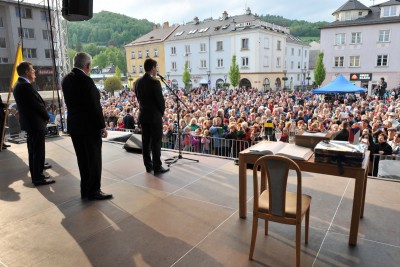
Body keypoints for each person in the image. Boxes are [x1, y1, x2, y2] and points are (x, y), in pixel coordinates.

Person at [62, 52, 112, 200]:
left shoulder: (66, 80)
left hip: (75, 126)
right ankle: (94, 190)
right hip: (89, 127)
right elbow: (94, 106)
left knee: (82, 159)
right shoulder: (86, 81)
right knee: (94, 159)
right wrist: (102, 126)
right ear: (88, 66)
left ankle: (85, 190)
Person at [12, 61, 54, 186]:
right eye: (32, 70)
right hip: (35, 123)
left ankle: (37, 170)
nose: (34, 72)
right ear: (26, 72)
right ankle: (38, 177)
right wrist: (47, 116)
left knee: (33, 150)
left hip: (31, 123)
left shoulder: (19, 84)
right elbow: (37, 105)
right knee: (37, 151)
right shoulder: (24, 86)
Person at [134, 58, 169, 174]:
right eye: (156, 67)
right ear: (153, 68)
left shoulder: (137, 82)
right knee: (155, 142)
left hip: (143, 115)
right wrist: (161, 113)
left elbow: (138, 99)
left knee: (145, 142)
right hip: (154, 117)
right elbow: (160, 101)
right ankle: (157, 167)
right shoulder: (155, 82)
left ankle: (148, 166)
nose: (157, 69)